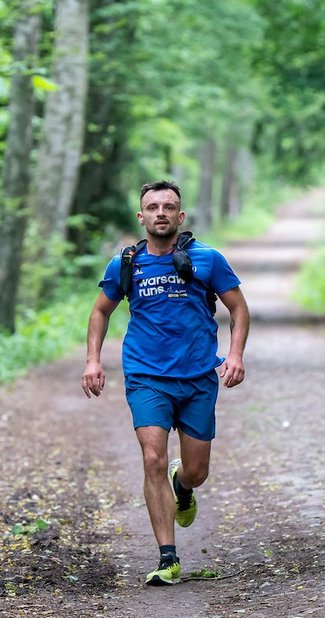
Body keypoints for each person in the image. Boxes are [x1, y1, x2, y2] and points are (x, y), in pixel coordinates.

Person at [81, 180, 250, 586]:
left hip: (196, 378)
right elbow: (100, 312)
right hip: (145, 376)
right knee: (152, 457)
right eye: (153, 207)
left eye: (169, 207)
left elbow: (239, 309)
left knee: (196, 471)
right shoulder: (124, 264)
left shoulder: (208, 259)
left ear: (180, 216)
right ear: (141, 217)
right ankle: (168, 557)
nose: (161, 213)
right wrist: (92, 360)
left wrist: (235, 354)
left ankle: (183, 486)